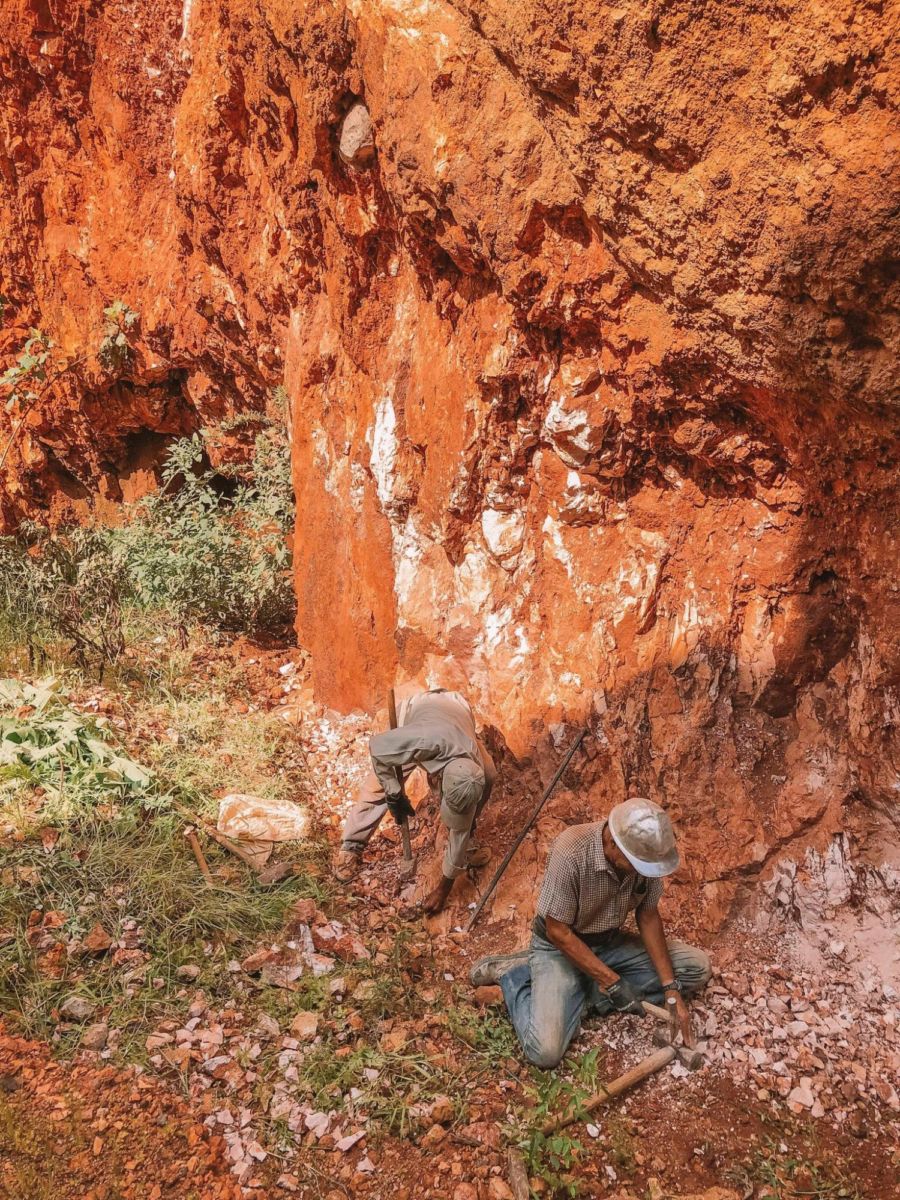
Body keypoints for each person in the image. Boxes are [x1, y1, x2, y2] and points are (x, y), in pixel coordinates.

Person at [469, 798, 711, 1068]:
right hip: (559, 946)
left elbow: (648, 915)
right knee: (545, 1051)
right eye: (637, 865)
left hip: (609, 944)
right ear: (614, 845)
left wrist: (671, 990)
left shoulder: (641, 856)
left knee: (696, 967)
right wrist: (614, 983)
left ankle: (579, 993)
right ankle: (514, 974)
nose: (642, 872)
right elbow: (557, 931)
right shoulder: (571, 851)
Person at [334, 687, 496, 914]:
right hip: (419, 718)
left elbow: (459, 825)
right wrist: (394, 792)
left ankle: (468, 842)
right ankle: (351, 845)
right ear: (437, 778)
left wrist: (443, 889)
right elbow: (378, 748)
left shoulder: (473, 769)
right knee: (377, 787)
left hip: (456, 714)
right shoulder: (420, 740)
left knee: (489, 776)